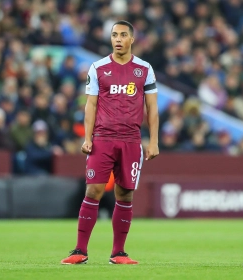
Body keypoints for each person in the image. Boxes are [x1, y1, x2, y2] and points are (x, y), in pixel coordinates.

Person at [61, 20, 159, 265]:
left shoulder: (145, 69)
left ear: (132, 39)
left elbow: (152, 108)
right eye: (114, 35)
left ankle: (118, 253)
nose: (117, 39)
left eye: (123, 35)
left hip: (131, 141)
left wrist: (154, 141)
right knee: (93, 190)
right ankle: (79, 251)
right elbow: (91, 104)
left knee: (125, 195)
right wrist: (87, 138)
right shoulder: (98, 67)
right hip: (102, 139)